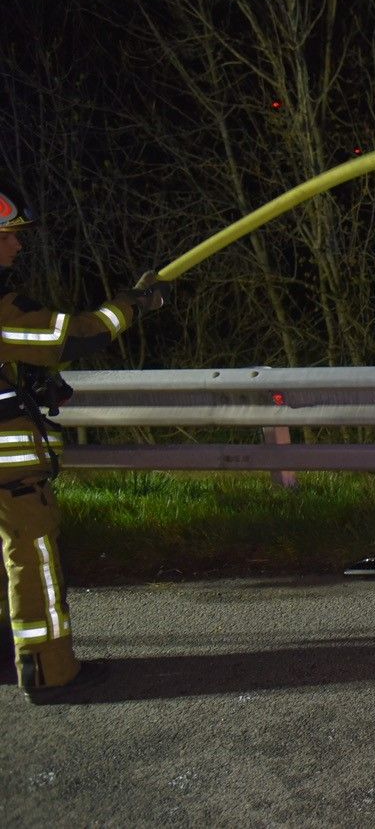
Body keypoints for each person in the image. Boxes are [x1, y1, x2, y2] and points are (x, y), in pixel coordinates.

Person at [0, 181, 167, 702]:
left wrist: (29, 383)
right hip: (9, 474)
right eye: (7, 236)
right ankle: (49, 673)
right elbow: (76, 335)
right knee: (32, 561)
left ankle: (9, 659)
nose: (18, 245)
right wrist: (132, 305)